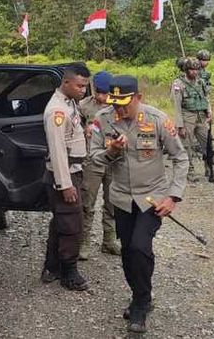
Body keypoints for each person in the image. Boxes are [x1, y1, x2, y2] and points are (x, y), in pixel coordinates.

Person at [90, 75, 188, 334]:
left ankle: (141, 304)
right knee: (128, 251)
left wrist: (173, 196)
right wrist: (111, 151)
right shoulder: (103, 119)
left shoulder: (157, 120)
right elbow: (93, 158)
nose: (119, 110)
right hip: (121, 197)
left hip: (151, 198)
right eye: (115, 104)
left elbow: (181, 157)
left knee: (139, 246)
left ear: (138, 98)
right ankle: (140, 294)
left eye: (124, 104)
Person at [41, 63, 90, 291]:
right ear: (66, 82)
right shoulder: (57, 111)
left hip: (74, 171)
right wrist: (65, 184)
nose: (83, 90)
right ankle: (69, 271)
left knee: (61, 220)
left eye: (85, 86)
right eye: (80, 86)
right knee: (72, 224)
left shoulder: (70, 102)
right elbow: (58, 150)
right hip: (65, 174)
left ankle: (52, 266)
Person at [78, 70, 120, 259]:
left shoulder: (119, 106)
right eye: (99, 92)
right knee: (87, 203)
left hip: (114, 161)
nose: (102, 97)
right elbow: (72, 129)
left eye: (106, 93)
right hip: (93, 161)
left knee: (112, 203)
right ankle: (83, 242)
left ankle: (109, 241)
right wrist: (84, 130)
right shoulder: (83, 106)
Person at [171, 57, 211, 182]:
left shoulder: (200, 82)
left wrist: (209, 110)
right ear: (186, 70)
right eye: (192, 69)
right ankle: (190, 171)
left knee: (207, 142)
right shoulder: (179, 84)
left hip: (201, 115)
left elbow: (206, 97)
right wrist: (180, 125)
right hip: (187, 115)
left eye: (196, 69)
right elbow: (176, 106)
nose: (194, 72)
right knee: (186, 145)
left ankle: (210, 167)